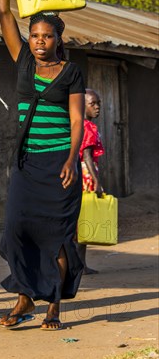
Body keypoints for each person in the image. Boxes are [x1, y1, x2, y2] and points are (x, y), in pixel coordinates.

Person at [0, 0, 85, 330]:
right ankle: (24, 297)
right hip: (27, 165)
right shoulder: (23, 62)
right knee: (17, 228)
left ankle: (52, 304)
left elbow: (78, 120)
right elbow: (2, 12)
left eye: (46, 36)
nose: (39, 42)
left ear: (58, 38)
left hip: (59, 165)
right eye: (34, 36)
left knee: (58, 237)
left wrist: (71, 159)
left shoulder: (71, 72)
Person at [77, 88, 105, 274]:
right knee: (84, 220)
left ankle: (81, 265)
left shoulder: (80, 124)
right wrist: (96, 181)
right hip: (86, 175)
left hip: (84, 173)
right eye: (92, 103)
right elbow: (87, 155)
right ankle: (79, 266)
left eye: (98, 104)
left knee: (82, 222)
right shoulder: (87, 126)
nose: (97, 107)